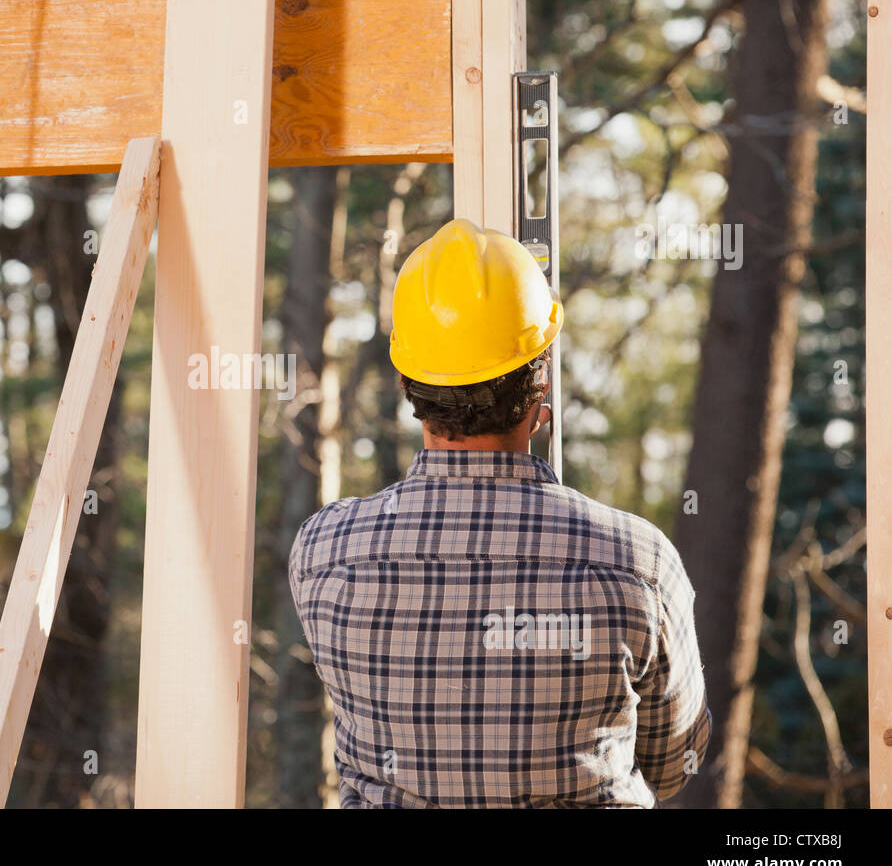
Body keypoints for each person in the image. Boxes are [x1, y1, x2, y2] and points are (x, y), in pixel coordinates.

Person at [288, 218, 711, 808]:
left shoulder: (325, 551)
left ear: (411, 383)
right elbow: (672, 766)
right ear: (540, 384)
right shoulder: (638, 561)